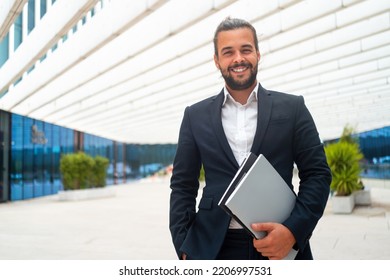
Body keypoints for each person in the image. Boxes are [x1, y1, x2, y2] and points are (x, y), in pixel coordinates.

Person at [169, 17, 331, 260]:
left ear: (257, 53)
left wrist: (292, 231)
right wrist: (183, 244)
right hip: (213, 247)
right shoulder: (195, 115)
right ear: (216, 60)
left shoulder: (293, 107)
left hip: (279, 242)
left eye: (246, 49)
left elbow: (318, 174)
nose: (238, 58)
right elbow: (183, 185)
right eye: (228, 52)